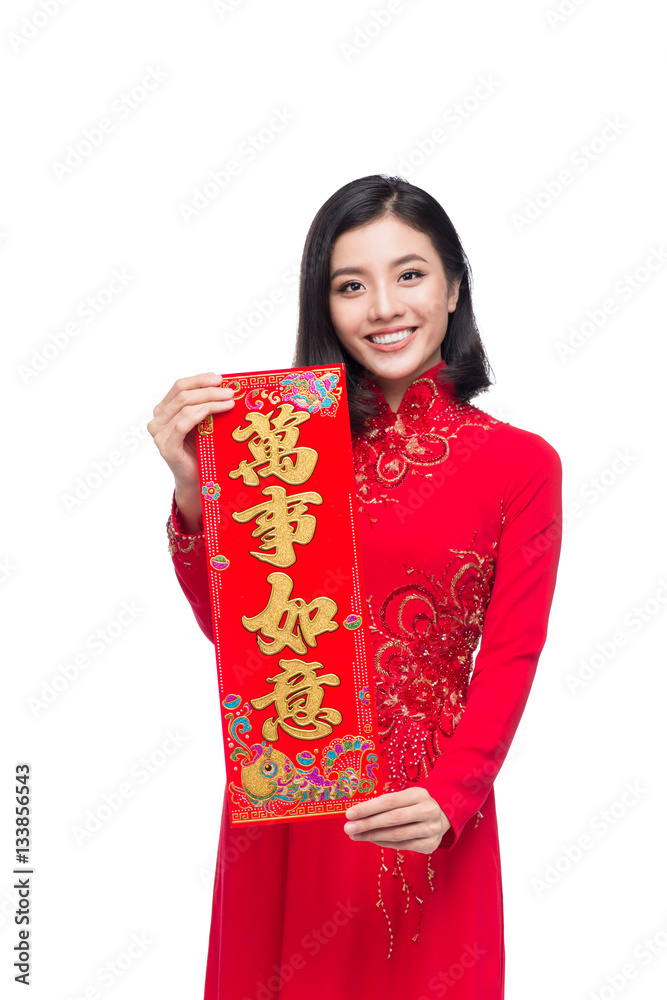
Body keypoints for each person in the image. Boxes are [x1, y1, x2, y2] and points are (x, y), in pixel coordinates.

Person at [148, 174, 563, 999]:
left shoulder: (521, 465)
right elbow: (239, 638)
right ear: (324, 306)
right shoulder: (280, 450)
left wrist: (452, 796)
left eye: (408, 274)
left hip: (423, 810)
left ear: (452, 286)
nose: (383, 306)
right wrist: (198, 492)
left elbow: (512, 656)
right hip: (286, 803)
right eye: (350, 284)